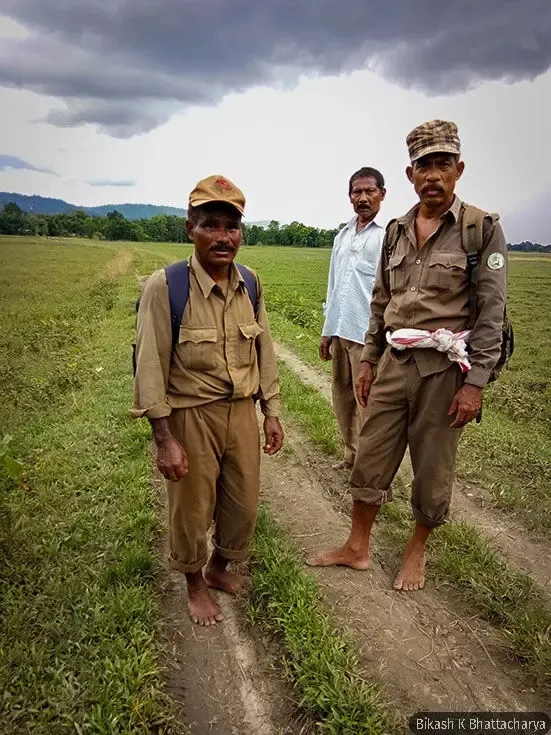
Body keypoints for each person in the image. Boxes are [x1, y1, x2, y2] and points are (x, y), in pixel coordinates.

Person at [308, 120, 508, 591]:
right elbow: (381, 301)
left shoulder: (481, 230)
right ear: (410, 172)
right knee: (371, 455)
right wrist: (369, 360)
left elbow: (492, 313)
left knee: (432, 465)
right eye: (424, 165)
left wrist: (475, 384)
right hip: (394, 364)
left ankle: (416, 551)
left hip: (444, 370)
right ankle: (356, 547)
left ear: (458, 169)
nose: (433, 174)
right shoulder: (396, 231)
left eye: (442, 164)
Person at [132, 175, 284, 625]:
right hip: (189, 416)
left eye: (231, 227)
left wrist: (271, 411)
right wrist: (165, 439)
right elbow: (150, 367)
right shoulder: (166, 287)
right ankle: (194, 582)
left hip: (240, 413)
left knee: (242, 505)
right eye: (211, 225)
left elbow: (265, 351)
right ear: (190, 229)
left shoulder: (250, 283)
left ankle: (219, 568)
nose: (223, 237)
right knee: (191, 508)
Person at [320, 167, 386, 471]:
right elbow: (334, 284)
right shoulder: (342, 236)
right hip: (341, 330)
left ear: (382, 195)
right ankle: (350, 454)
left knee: (366, 403)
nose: (362, 198)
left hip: (367, 336)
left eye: (369, 191)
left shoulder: (387, 237)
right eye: (356, 192)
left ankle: (367, 464)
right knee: (343, 396)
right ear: (350, 197)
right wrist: (326, 330)